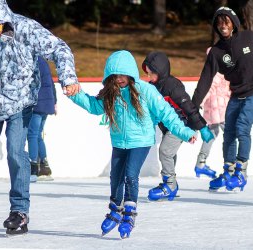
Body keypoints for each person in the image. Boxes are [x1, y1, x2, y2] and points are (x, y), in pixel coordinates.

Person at [0, 0, 79, 235]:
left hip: (19, 102)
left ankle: (20, 211)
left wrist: (68, 77)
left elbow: (59, 49)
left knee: (15, 153)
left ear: (4, 21)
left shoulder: (26, 28)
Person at [69, 50, 197, 238]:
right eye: (115, 75)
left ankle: (129, 213)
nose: (119, 79)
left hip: (141, 141)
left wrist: (185, 132)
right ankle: (115, 209)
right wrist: (75, 94)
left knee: (130, 175)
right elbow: (94, 106)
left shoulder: (145, 90)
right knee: (115, 176)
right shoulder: (111, 93)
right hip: (120, 142)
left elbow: (166, 113)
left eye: (123, 74)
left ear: (130, 73)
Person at [192, 7, 253, 192]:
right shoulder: (216, 52)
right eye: (219, 23)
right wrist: (192, 106)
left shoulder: (249, 38)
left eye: (226, 22)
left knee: (242, 126)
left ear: (234, 23)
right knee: (228, 132)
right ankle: (229, 171)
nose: (223, 26)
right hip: (236, 95)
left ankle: (241, 172)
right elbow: (205, 79)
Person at [141, 51, 214, 202]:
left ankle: (170, 185)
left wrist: (202, 127)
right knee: (169, 153)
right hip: (169, 127)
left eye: (152, 73)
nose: (149, 77)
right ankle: (170, 185)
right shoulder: (151, 87)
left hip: (183, 125)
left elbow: (188, 107)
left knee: (165, 151)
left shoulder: (172, 85)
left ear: (160, 71)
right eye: (147, 74)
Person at [194, 48, 231, 179]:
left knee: (211, 135)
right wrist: (198, 103)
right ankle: (230, 167)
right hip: (220, 110)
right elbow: (207, 89)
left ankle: (201, 163)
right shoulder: (216, 73)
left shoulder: (220, 71)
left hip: (215, 111)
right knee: (230, 135)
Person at [28, 57, 57, 183]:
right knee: (38, 135)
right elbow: (51, 83)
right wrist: (54, 102)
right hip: (47, 103)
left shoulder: (32, 60)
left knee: (32, 135)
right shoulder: (43, 61)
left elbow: (31, 83)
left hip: (37, 103)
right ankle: (45, 168)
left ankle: (33, 167)